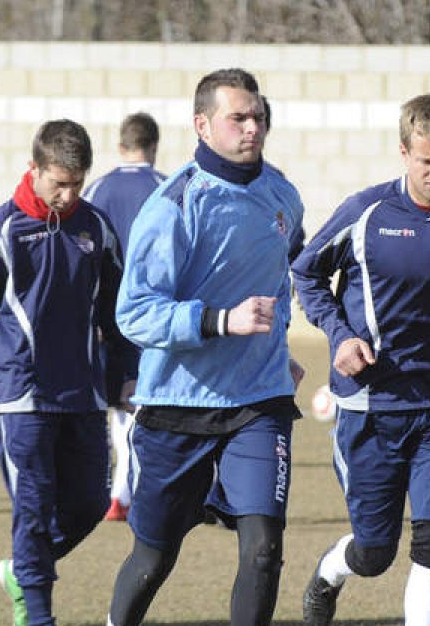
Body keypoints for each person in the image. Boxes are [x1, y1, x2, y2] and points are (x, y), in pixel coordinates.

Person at [291, 94, 430, 626]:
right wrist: (340, 337)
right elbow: (306, 274)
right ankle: (329, 574)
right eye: (426, 160)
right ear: (404, 151)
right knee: (374, 552)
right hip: (372, 404)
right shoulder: (365, 213)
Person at [105, 68, 305, 626]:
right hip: (177, 406)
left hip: (258, 402)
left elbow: (277, 284)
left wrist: (278, 346)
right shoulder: (172, 205)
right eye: (238, 117)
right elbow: (134, 313)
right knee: (153, 556)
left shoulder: (283, 194)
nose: (252, 127)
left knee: (264, 547)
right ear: (202, 124)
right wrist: (220, 321)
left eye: (259, 116)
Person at [0, 119, 136, 626]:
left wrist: (122, 378)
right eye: (58, 184)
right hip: (20, 395)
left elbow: (119, 315)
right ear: (34, 170)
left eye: (77, 184)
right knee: (33, 508)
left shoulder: (96, 228)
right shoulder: (1, 230)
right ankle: (38, 616)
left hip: (85, 396)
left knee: (92, 504)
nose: (67, 196)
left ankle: (22, 571)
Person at [80, 111, 166, 522]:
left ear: (120, 146)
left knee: (119, 401)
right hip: (157, 313)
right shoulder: (168, 188)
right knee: (144, 400)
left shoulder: (96, 189)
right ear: (154, 145)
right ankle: (126, 490)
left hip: (111, 313)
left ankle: (121, 490)